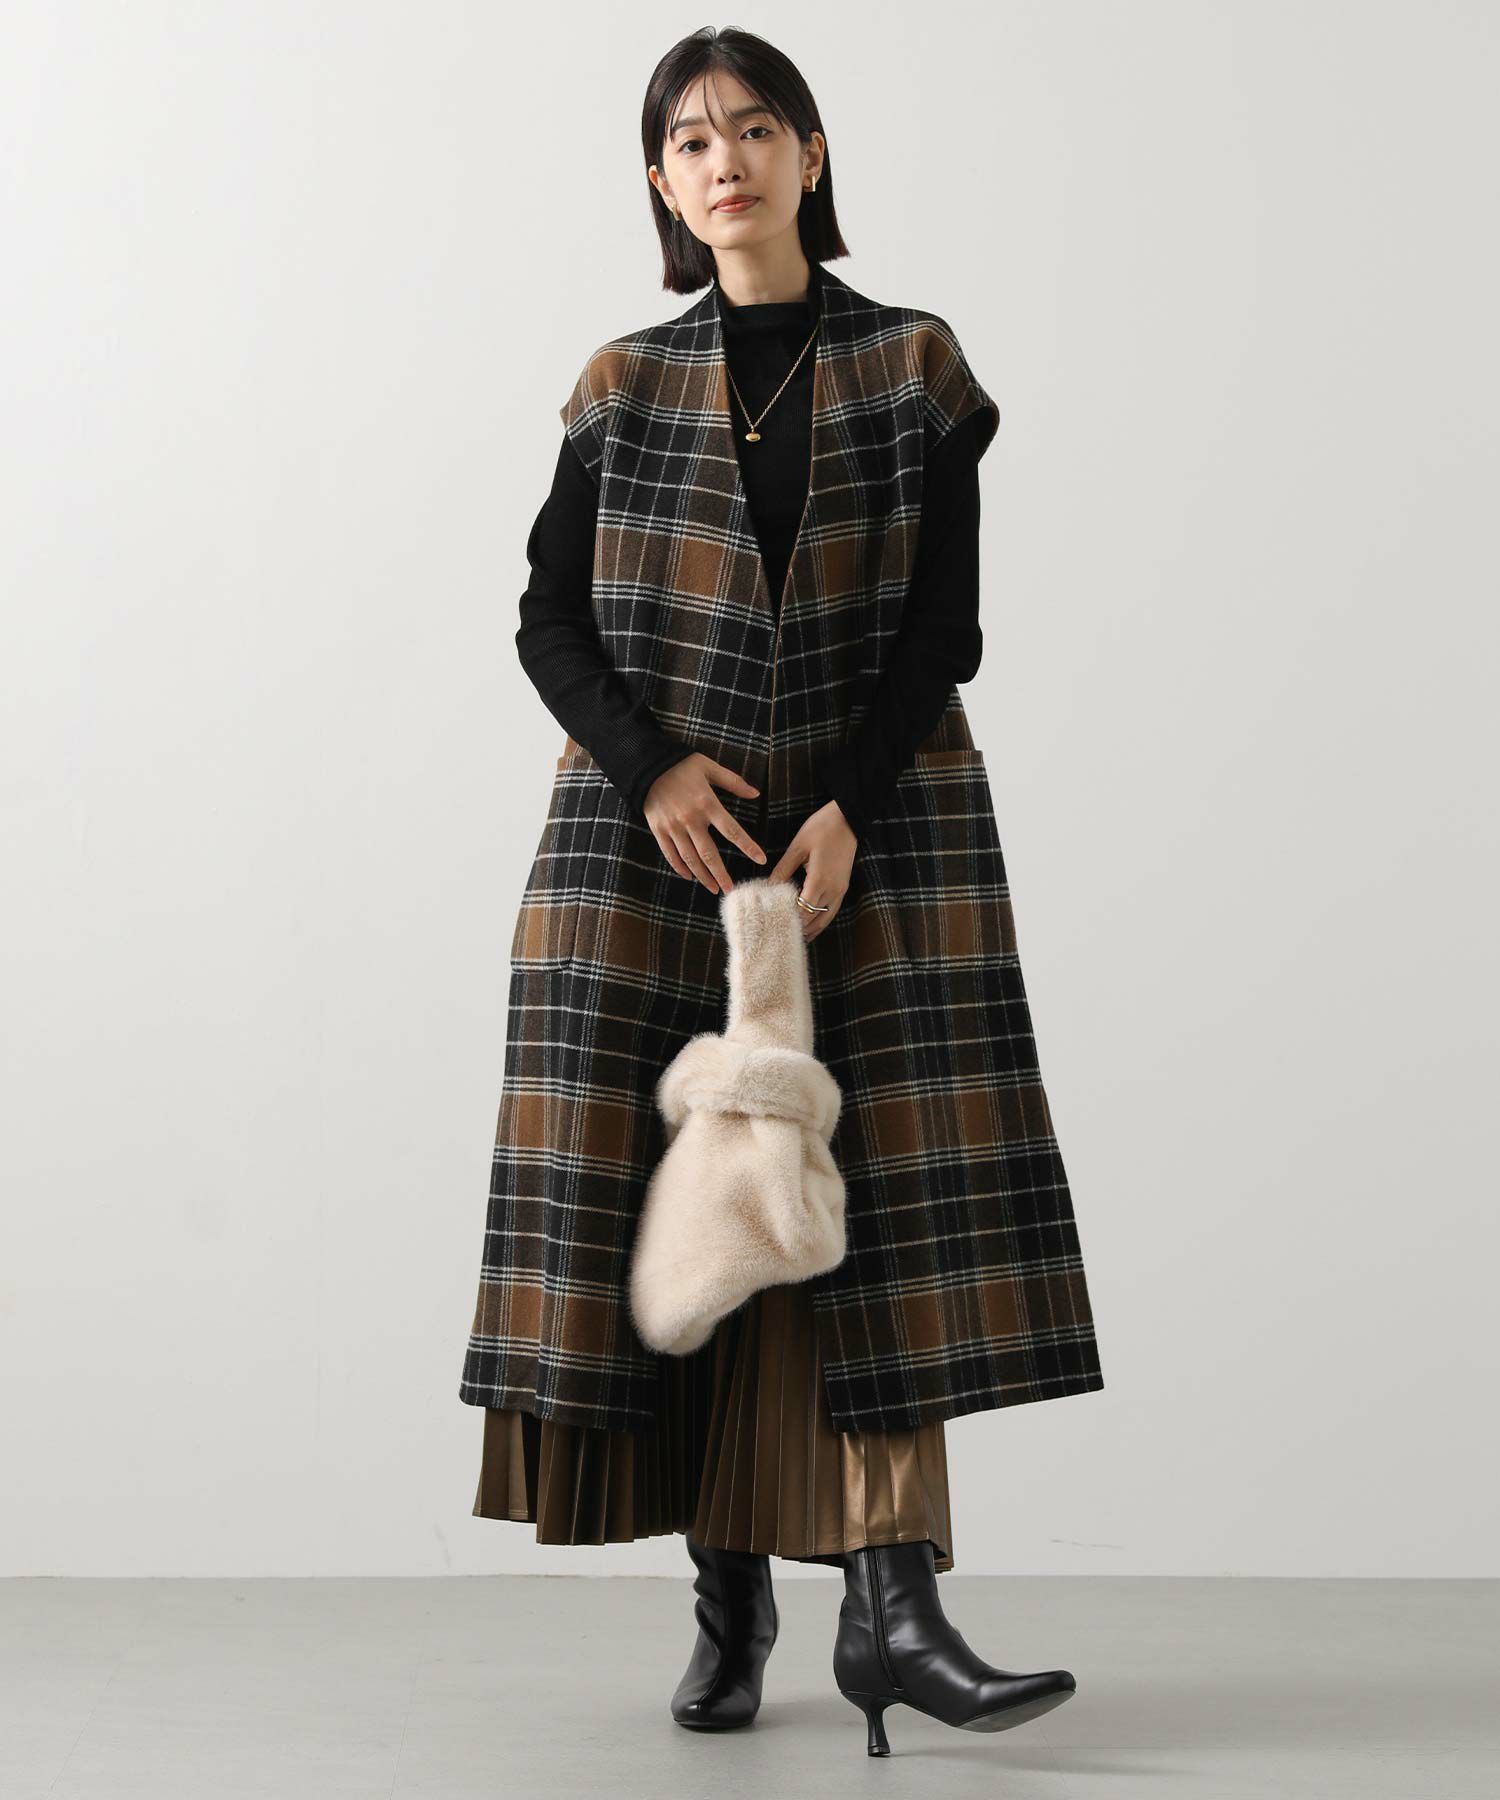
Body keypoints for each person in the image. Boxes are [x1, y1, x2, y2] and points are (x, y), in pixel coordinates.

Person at [458, 26, 1104, 1757]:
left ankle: (897, 1612)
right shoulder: (622, 382)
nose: (725, 158)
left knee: (872, 1222)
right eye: (690, 139)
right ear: (661, 185)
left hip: (870, 840)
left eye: (755, 128)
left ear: (811, 154)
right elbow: (547, 620)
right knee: (684, 1216)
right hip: (645, 857)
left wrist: (843, 807)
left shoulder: (911, 367)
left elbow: (943, 629)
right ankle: (728, 1600)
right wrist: (655, 772)